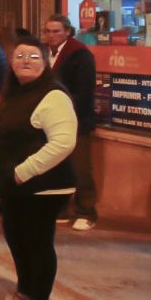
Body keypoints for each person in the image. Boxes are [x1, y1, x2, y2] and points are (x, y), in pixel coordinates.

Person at [0, 36, 76, 300]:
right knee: (16, 236)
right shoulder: (15, 92)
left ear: (46, 61)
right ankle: (26, 290)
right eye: (20, 56)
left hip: (44, 185)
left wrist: (23, 171)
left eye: (34, 56)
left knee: (36, 241)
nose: (26, 61)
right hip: (17, 185)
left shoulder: (53, 95)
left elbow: (63, 142)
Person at [40, 14, 99, 230]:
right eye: (48, 31)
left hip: (77, 121)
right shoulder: (45, 53)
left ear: (67, 32)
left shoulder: (80, 55)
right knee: (58, 167)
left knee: (80, 167)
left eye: (56, 31)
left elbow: (84, 92)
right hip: (50, 122)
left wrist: (65, 112)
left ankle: (87, 211)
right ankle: (62, 208)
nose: (51, 35)